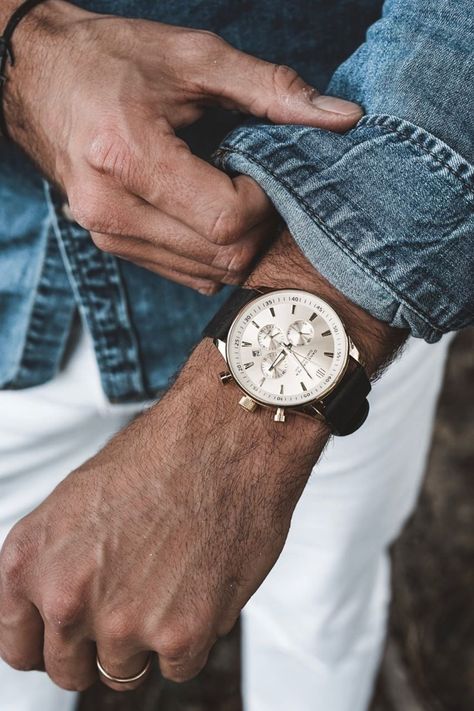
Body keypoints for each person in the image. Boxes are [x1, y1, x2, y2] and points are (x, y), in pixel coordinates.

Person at [0, 1, 472, 710]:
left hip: (343, 223)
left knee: (319, 609)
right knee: (20, 631)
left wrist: (232, 439)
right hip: (18, 274)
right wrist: (22, 43)